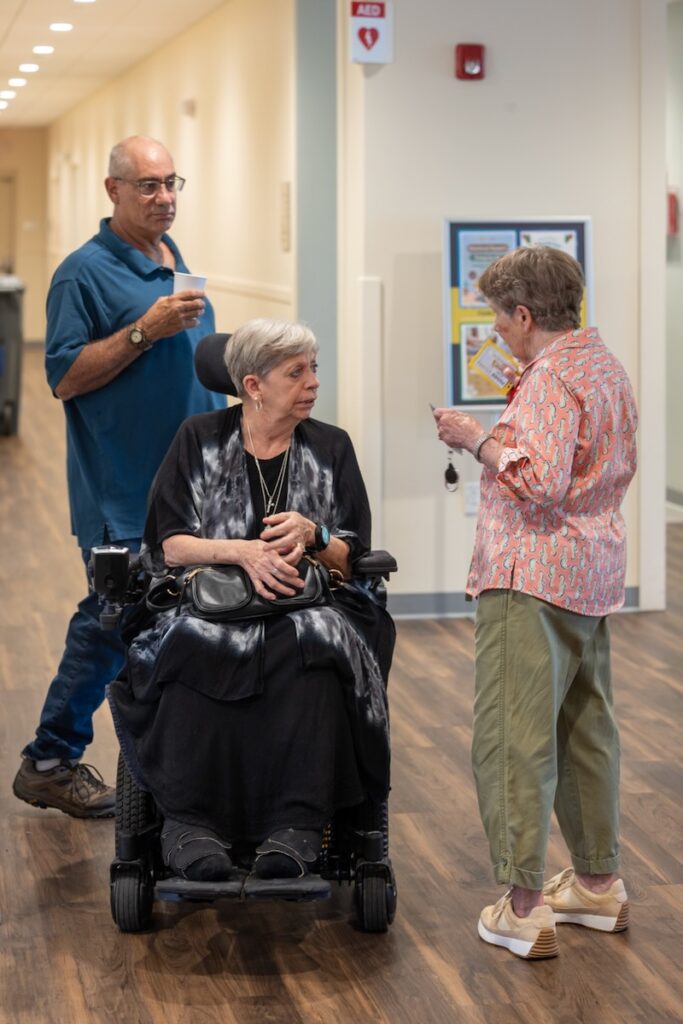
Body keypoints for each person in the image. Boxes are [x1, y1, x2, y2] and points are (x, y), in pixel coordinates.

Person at [107, 318, 393, 882]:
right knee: (189, 645)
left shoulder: (331, 446)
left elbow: (351, 556)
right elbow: (170, 543)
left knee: (317, 649)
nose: (313, 382)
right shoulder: (200, 437)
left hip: (309, 605)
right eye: (297, 372)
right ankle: (191, 823)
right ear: (253, 384)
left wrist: (316, 535)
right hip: (206, 602)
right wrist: (241, 553)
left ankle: (298, 824)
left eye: (314, 369)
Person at [433, 246, 638, 959]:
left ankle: (521, 906)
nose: (494, 330)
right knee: (585, 730)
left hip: (531, 578)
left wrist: (473, 438)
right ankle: (595, 883)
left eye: (497, 316)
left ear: (524, 315)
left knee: (511, 737)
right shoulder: (601, 364)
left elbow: (539, 482)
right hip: (590, 574)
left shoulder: (550, 378)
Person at [13, 136, 224, 818]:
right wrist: (143, 331)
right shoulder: (82, 273)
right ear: (113, 191)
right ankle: (50, 759)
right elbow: (64, 377)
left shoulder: (174, 261)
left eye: (172, 184)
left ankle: (170, 763)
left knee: (174, 625)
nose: (164, 198)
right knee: (112, 621)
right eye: (147, 186)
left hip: (189, 487)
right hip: (122, 494)